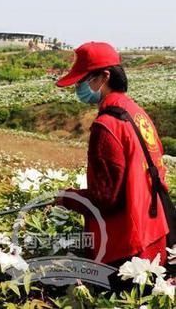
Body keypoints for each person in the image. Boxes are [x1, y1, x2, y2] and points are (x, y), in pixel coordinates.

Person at [55, 41, 174, 268]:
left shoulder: (106, 126)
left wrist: (68, 198)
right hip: (155, 231)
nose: (78, 87)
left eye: (83, 80)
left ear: (104, 77)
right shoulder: (136, 113)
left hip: (126, 245)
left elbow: (106, 199)